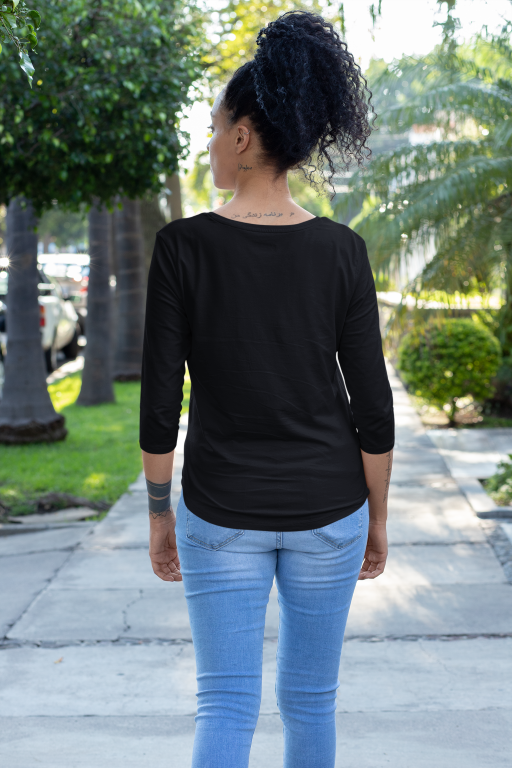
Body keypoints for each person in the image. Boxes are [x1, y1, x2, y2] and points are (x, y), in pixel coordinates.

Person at [140, 10, 394, 768]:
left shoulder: (182, 248)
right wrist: (377, 520)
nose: (210, 142)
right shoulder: (343, 250)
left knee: (224, 704)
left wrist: (159, 514)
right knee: (312, 703)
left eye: (216, 128)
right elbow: (373, 408)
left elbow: (159, 405)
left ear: (245, 137)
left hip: (219, 511)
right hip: (331, 512)